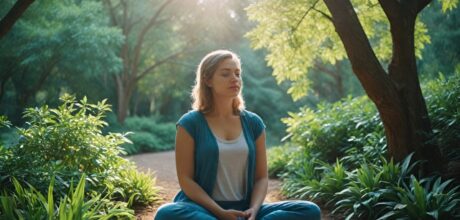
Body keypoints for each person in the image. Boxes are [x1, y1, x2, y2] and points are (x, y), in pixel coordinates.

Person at [155, 50, 321, 220]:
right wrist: (221, 213)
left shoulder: (253, 123)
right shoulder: (190, 123)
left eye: (237, 73)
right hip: (203, 209)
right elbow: (186, 180)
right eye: (225, 74)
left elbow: (261, 177)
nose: (234, 79)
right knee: (166, 214)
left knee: (309, 210)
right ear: (207, 79)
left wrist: (254, 211)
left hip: (245, 210)